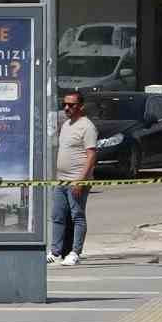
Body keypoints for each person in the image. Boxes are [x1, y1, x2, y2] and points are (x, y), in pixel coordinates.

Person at [49, 89, 96, 266]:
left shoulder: (87, 126)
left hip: (77, 180)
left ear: (81, 106)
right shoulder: (67, 125)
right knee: (58, 216)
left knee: (77, 215)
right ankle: (55, 252)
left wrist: (81, 180)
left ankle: (75, 252)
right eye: (64, 105)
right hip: (62, 180)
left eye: (71, 105)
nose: (67, 108)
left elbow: (91, 155)